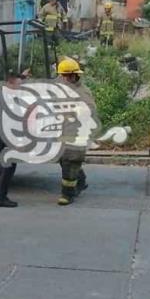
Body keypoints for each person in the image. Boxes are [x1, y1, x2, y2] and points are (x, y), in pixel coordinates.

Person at [55, 57, 95, 206]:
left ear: (73, 75)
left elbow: (89, 111)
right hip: (62, 132)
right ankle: (81, 180)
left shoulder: (82, 92)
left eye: (65, 76)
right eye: (61, 75)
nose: (62, 78)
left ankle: (67, 194)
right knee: (64, 160)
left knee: (69, 161)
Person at [0, 69, 29, 208]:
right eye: (19, 85)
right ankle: (1, 198)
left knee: (4, 164)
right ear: (10, 83)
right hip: (7, 136)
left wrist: (23, 76)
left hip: (2, 135)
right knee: (9, 166)